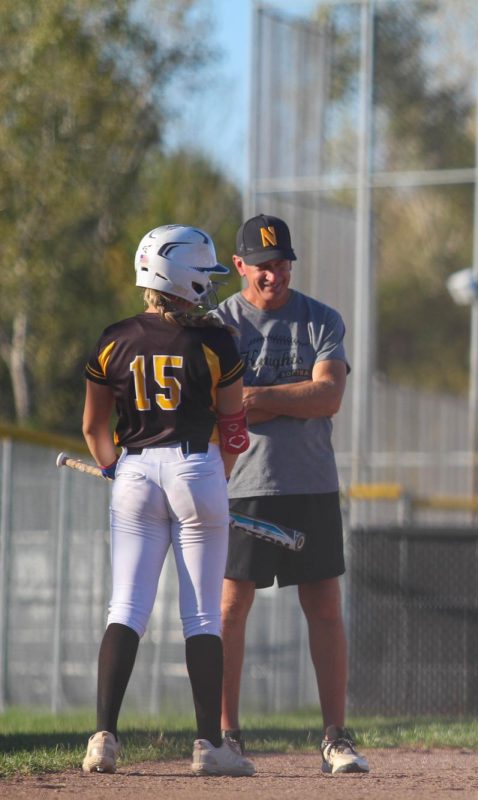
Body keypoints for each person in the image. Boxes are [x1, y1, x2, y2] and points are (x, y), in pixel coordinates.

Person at [81, 224, 254, 777]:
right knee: (202, 614)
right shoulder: (216, 342)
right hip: (195, 468)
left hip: (132, 469)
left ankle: (103, 737)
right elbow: (234, 430)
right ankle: (210, 746)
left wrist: (117, 470)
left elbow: (93, 427)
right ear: (185, 276)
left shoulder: (113, 337)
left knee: (125, 607)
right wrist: (214, 483)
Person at [212, 213, 367, 775]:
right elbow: (214, 403)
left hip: (311, 483)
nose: (273, 276)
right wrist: (279, 398)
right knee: (230, 608)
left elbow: (328, 396)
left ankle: (335, 737)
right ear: (239, 266)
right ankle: (225, 734)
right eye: (262, 266)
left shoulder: (321, 319)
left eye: (281, 264)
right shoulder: (219, 325)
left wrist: (255, 398)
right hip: (239, 486)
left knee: (323, 607)